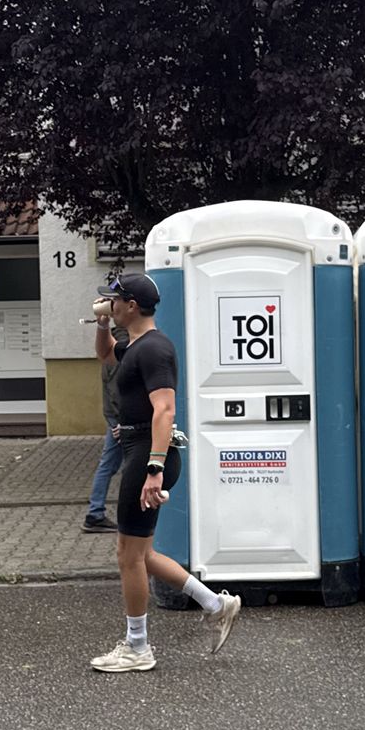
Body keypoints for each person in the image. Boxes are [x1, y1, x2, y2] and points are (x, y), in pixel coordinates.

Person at [90, 271, 241, 672]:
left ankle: (138, 647)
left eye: (114, 301)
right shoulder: (134, 345)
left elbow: (165, 410)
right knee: (143, 553)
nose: (110, 304)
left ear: (131, 305)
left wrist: (154, 469)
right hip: (140, 449)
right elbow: (105, 355)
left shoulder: (155, 349)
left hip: (149, 455)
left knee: (127, 555)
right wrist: (102, 322)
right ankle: (216, 604)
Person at [82, 297, 123, 532]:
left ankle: (95, 513)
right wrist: (120, 421)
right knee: (114, 466)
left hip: (114, 416)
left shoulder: (110, 342)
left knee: (109, 465)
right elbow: (118, 388)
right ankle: (95, 514)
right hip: (121, 418)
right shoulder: (122, 346)